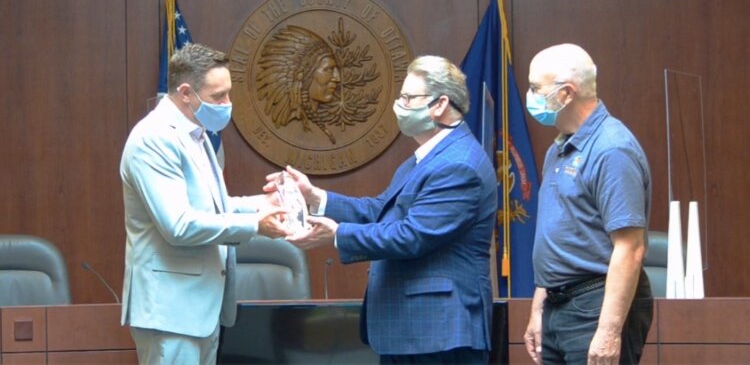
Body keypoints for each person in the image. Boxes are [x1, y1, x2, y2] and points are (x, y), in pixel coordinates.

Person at [267, 55, 498, 364]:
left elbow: (412, 235)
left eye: (407, 97)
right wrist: (316, 197)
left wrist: (338, 235)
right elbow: (381, 211)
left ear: (440, 104)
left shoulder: (458, 163)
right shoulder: (425, 158)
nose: (398, 105)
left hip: (438, 332)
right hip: (413, 331)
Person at [120, 43, 291, 364]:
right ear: (185, 92)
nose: (227, 105)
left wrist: (265, 202)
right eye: (218, 97)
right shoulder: (154, 138)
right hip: (171, 311)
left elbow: (214, 206)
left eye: (228, 94)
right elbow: (179, 225)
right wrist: (255, 225)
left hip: (199, 308)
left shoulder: (194, 134)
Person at [522, 44, 653, 365]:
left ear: (566, 93)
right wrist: (540, 306)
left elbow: (631, 247)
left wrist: (609, 332)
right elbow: (556, 236)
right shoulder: (559, 148)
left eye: (536, 88)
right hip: (557, 304)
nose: (530, 95)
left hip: (595, 305)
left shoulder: (611, 149)